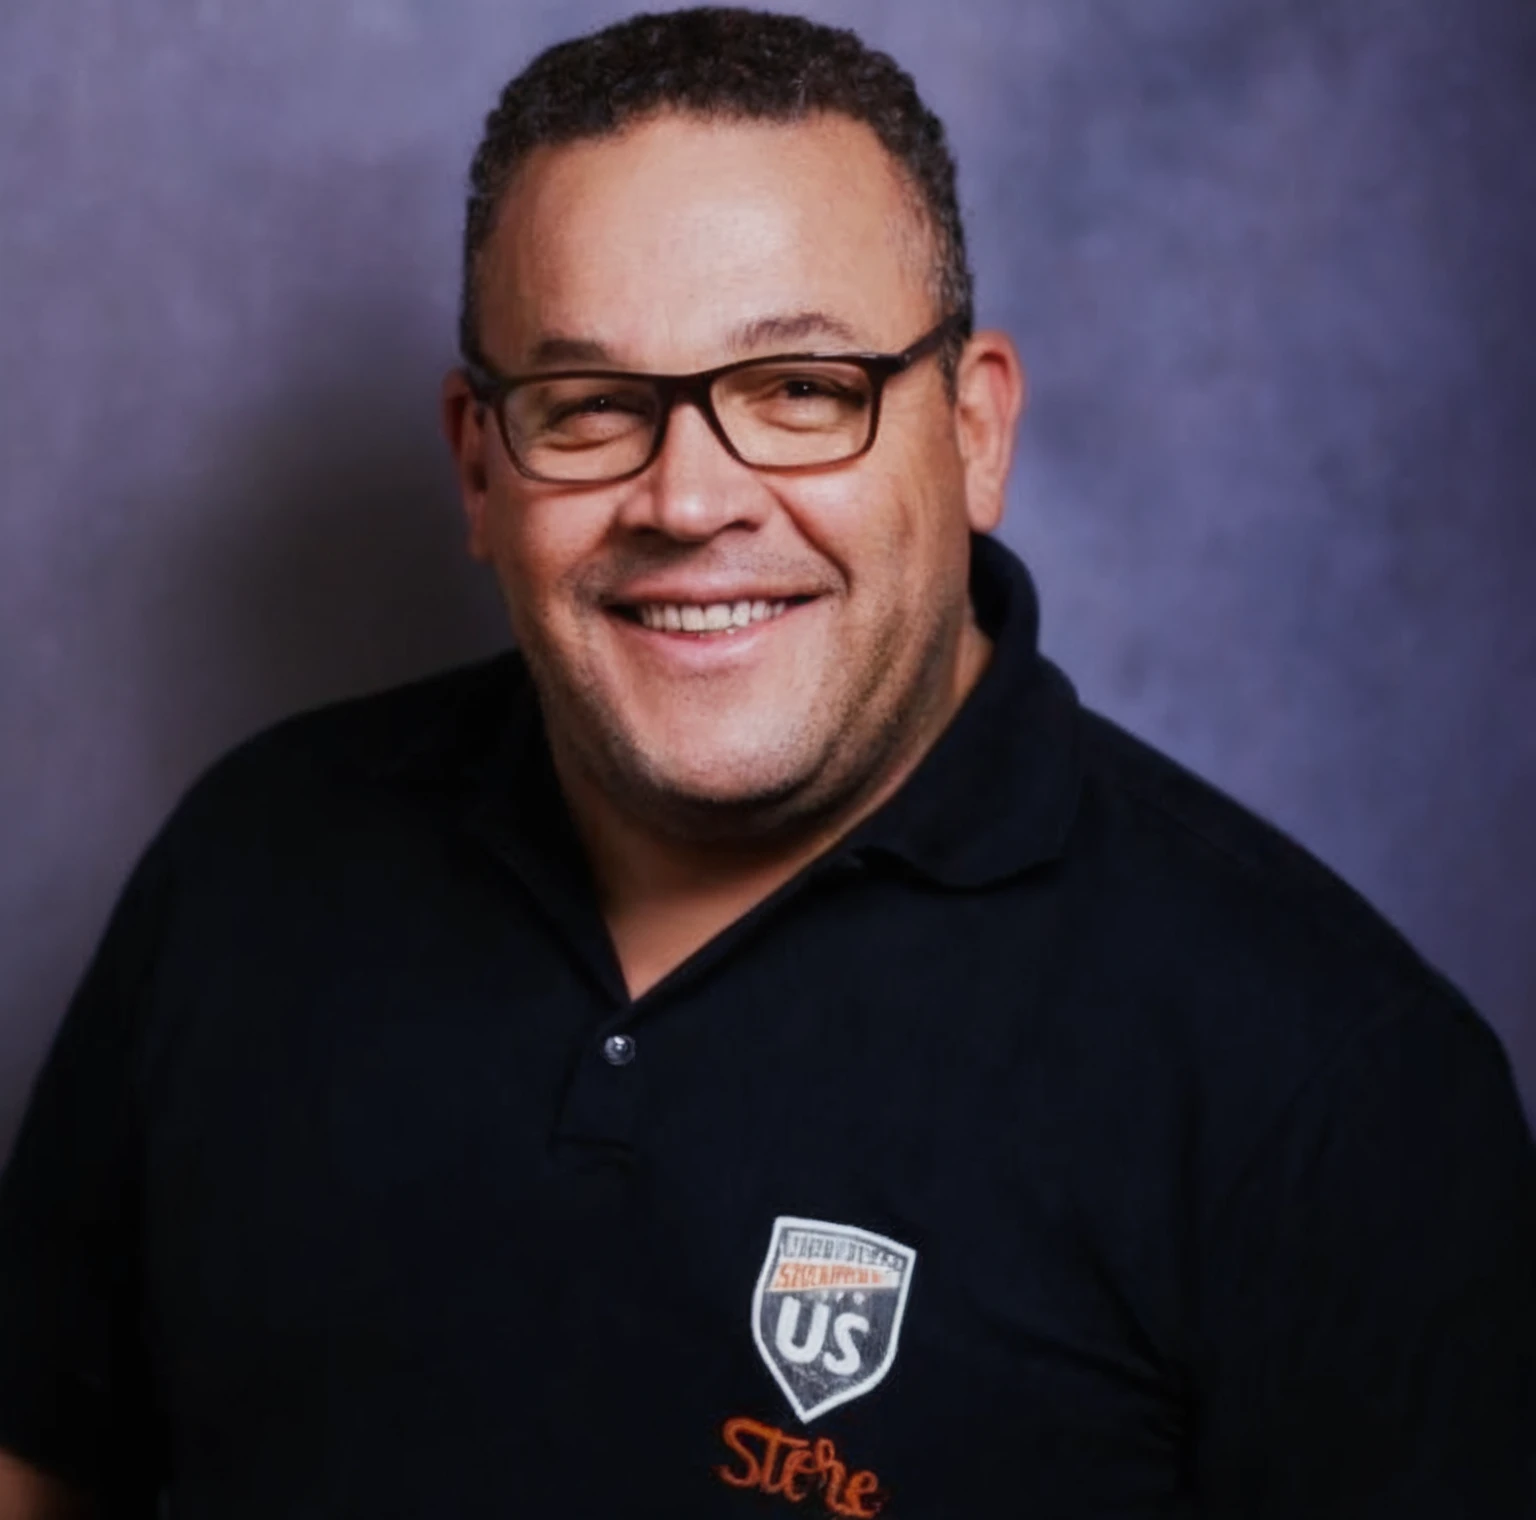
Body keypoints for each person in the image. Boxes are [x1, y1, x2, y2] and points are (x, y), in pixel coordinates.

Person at [1, 6, 1532, 1516]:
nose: (688, 498)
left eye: (803, 390)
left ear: (975, 432)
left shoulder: (1336, 1085)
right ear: (479, 465)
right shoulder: (254, 862)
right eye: (591, 406)